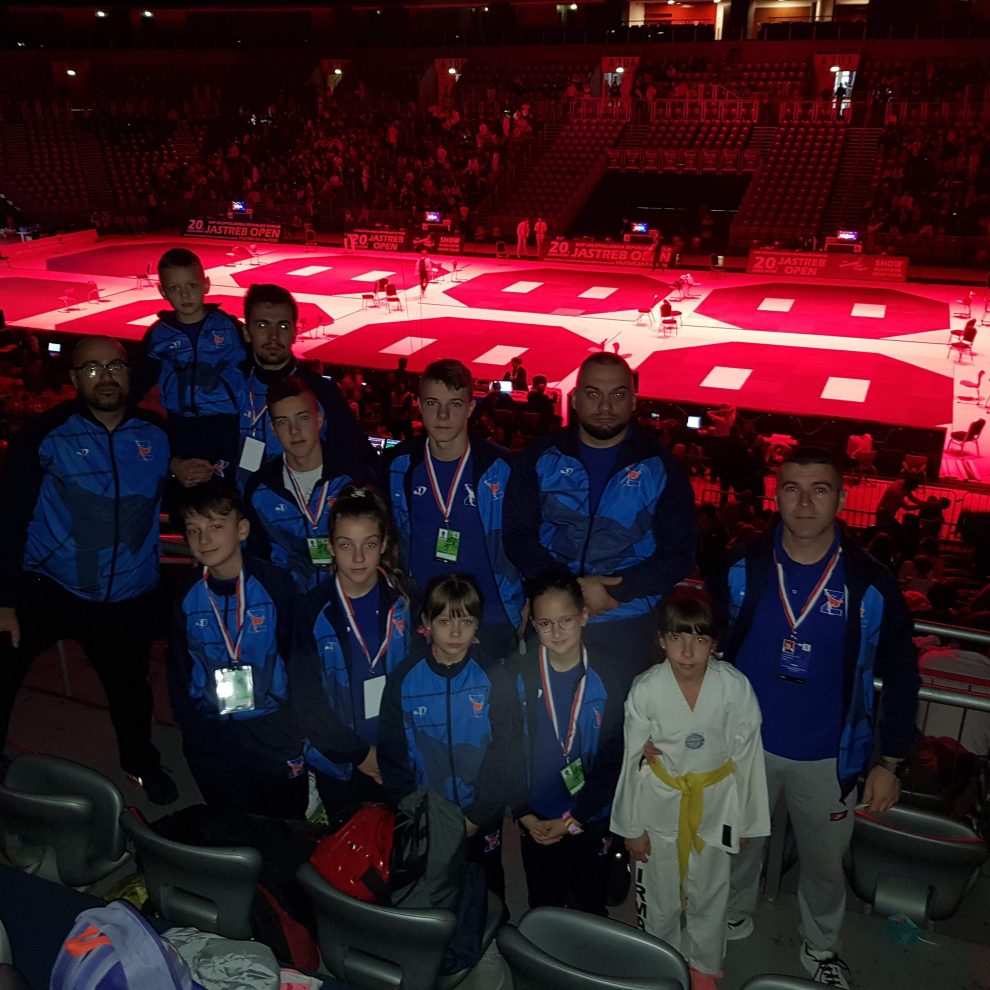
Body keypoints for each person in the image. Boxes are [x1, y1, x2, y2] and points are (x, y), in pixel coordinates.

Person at [715, 446, 919, 989]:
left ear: (842, 499)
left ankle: (821, 945)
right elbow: (704, 646)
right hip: (745, 746)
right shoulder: (741, 565)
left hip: (830, 755)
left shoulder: (870, 582)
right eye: (792, 489)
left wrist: (890, 761)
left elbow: (903, 672)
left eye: (819, 489)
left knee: (825, 866)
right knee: (736, 847)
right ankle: (730, 915)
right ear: (775, 495)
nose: (804, 503)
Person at [0, 336, 176, 803]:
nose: (106, 376)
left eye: (115, 366)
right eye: (92, 369)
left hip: (128, 595)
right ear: (75, 378)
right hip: (51, 586)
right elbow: (10, 516)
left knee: (131, 693)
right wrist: (5, 600)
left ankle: (140, 765)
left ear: (129, 373)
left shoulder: (156, 434)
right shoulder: (45, 434)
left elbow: (177, 497)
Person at [504, 352, 697, 690]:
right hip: (553, 617)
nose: (605, 406)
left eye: (617, 395)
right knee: (539, 717)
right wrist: (568, 591)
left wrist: (617, 591)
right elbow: (517, 535)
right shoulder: (541, 457)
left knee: (616, 720)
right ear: (575, 398)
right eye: (593, 393)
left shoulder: (660, 467)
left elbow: (679, 554)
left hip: (626, 623)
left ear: (633, 401)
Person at [612, 587, 769, 990]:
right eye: (677, 637)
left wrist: (748, 819)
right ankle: (660, 961)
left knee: (710, 892)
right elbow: (631, 760)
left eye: (699, 639)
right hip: (658, 801)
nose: (687, 651)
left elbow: (748, 755)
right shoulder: (647, 687)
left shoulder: (734, 686)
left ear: (714, 644)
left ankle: (703, 966)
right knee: (658, 895)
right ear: (661, 640)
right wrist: (631, 828)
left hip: (716, 803)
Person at [378, 573, 522, 896]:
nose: (456, 633)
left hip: (480, 812)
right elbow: (392, 750)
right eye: (444, 621)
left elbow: (505, 750)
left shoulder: (494, 677)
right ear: (426, 622)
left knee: (485, 885)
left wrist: (478, 814)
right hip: (425, 814)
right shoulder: (404, 679)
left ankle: (492, 927)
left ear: (477, 624)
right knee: (433, 886)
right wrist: (411, 808)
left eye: (466, 621)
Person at [169, 481, 307, 819]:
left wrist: (294, 726)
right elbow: (178, 668)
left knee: (285, 819)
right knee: (231, 819)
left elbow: (300, 659)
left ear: (242, 529)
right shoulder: (184, 594)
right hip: (212, 731)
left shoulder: (275, 586)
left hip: (271, 728)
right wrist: (193, 728)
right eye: (194, 530)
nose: (204, 539)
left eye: (216, 526)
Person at [384, 359, 524, 660]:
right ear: (418, 405)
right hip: (426, 619)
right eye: (433, 403)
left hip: (492, 618)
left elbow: (527, 537)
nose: (443, 415)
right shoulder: (399, 465)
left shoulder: (501, 468)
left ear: (471, 408)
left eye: (455, 404)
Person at [293, 485, 411, 817]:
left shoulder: (405, 601)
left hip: (396, 753)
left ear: (383, 544)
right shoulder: (312, 610)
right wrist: (359, 755)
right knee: (346, 836)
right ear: (330, 546)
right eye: (346, 545)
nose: (358, 558)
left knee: (397, 836)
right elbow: (306, 698)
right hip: (339, 759)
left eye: (369, 545)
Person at [513, 570, 624, 915]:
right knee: (543, 901)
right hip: (537, 814)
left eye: (566, 621)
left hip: (590, 814)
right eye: (546, 624)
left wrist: (574, 819)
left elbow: (613, 758)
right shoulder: (518, 676)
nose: (557, 632)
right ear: (533, 624)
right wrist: (521, 811)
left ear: (584, 616)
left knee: (587, 901)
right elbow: (505, 747)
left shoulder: (609, 677)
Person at [237, 283, 374, 486]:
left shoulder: (322, 392)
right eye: (263, 325)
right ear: (246, 332)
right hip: (238, 501)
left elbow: (359, 459)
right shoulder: (232, 385)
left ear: (295, 332)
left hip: (301, 502)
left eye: (283, 326)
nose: (273, 336)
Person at [244, 376, 369, 594]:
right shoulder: (260, 488)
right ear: (273, 429)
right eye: (283, 422)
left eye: (302, 418)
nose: (294, 430)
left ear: (319, 420)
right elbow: (258, 560)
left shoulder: (354, 478)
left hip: (347, 601)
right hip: (289, 604)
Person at [135, 247, 246, 487]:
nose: (185, 295)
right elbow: (138, 383)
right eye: (175, 288)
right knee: (187, 484)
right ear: (162, 291)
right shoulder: (158, 335)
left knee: (224, 488)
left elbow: (250, 368)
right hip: (180, 424)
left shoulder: (229, 327)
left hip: (226, 422)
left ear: (206, 285)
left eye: (192, 285)